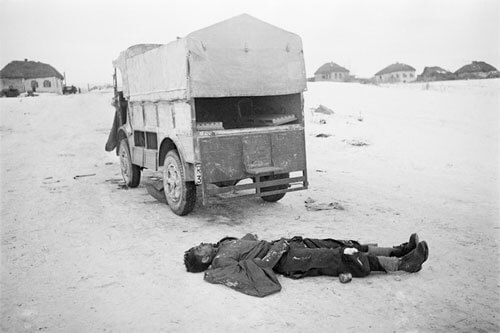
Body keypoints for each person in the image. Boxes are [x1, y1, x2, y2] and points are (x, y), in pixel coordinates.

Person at [184, 233, 429, 297]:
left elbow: (249, 246)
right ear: (204, 259)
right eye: (199, 248)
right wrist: (275, 252)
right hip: (287, 260)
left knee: (340, 242)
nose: (202, 244)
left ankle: (398, 250)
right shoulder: (220, 262)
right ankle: (403, 264)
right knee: (342, 255)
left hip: (289, 245)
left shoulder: (223, 244)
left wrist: (252, 239)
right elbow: (255, 273)